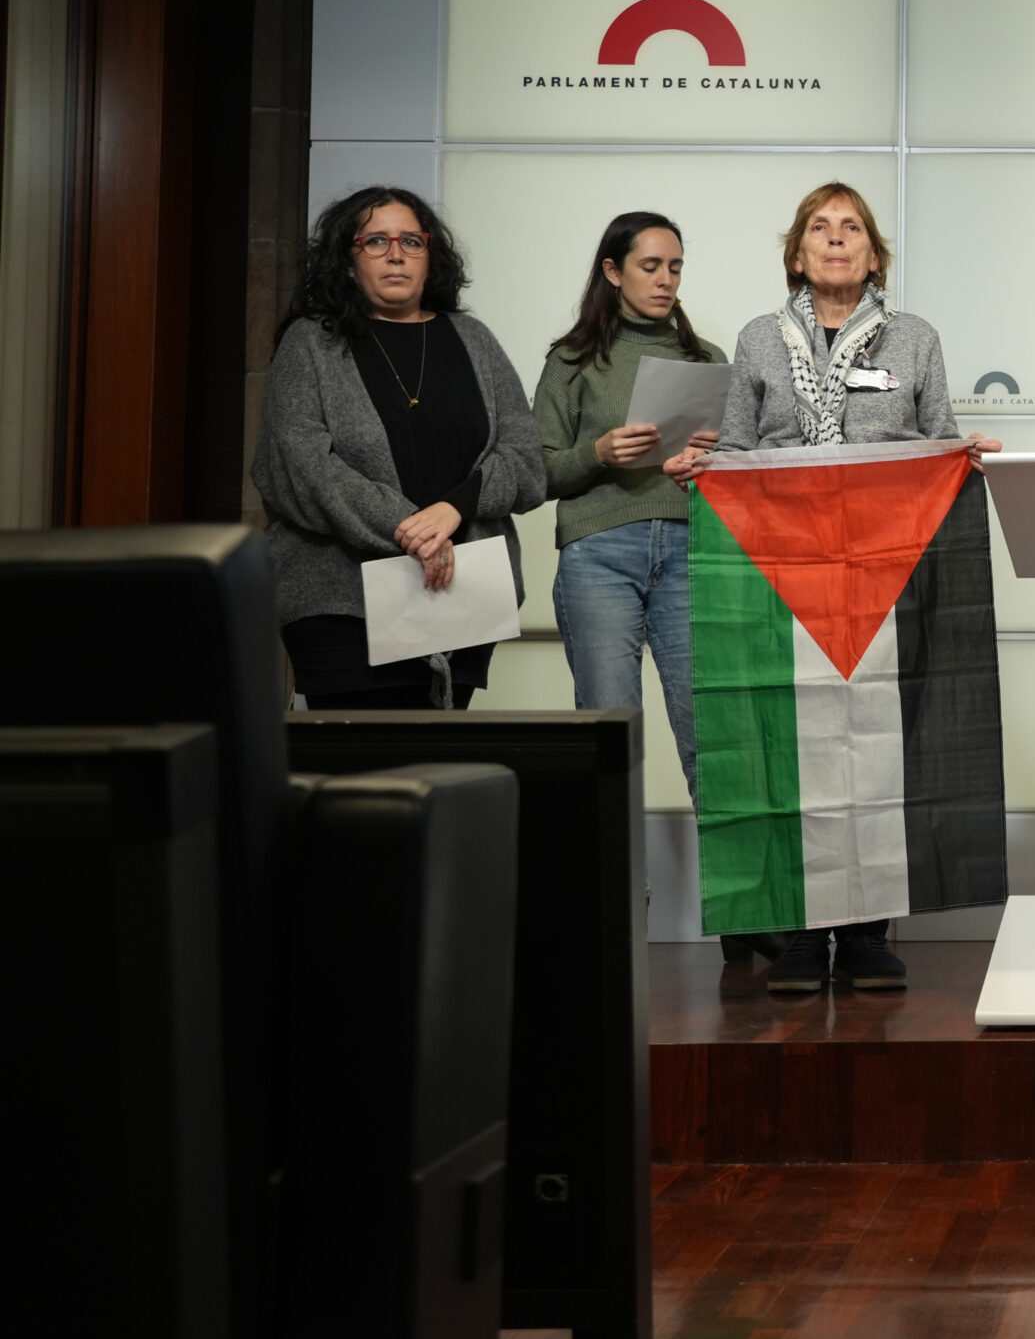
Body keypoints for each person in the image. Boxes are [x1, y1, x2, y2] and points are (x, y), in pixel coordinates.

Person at [664, 181, 997, 995]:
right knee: (795, 744)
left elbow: (939, 440)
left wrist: (964, 459)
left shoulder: (915, 338)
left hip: (887, 565)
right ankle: (805, 935)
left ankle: (869, 934)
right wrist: (705, 472)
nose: (837, 238)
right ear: (797, 253)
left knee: (880, 745)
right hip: (784, 567)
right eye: (820, 227)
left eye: (852, 228)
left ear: (875, 254)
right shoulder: (759, 338)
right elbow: (739, 448)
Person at [253, 186, 544, 709]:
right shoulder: (310, 342)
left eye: (411, 241)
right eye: (375, 241)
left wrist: (452, 510)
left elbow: (524, 459)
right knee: (359, 759)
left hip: (462, 593)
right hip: (341, 598)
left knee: (439, 756)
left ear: (431, 258)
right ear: (347, 262)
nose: (395, 254)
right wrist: (411, 530)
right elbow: (303, 468)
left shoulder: (474, 338)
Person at [536, 210, 737, 925]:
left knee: (709, 730)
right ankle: (618, 907)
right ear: (613, 271)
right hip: (599, 552)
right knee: (611, 730)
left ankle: (742, 909)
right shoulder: (572, 358)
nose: (666, 279)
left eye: (675, 267)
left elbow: (739, 471)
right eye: (650, 266)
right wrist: (599, 454)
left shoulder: (705, 357)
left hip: (688, 545)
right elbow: (536, 471)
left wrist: (715, 457)